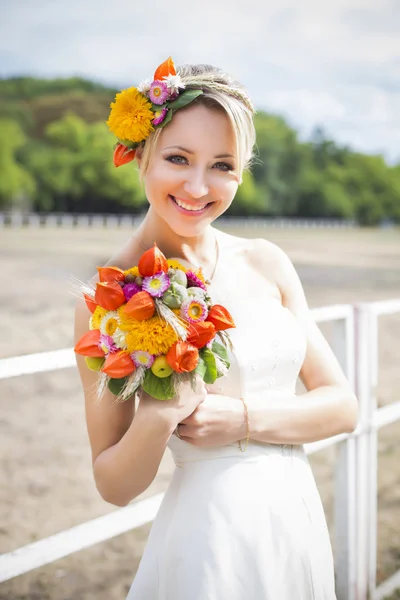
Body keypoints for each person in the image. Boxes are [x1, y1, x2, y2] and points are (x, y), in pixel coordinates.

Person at [74, 57, 358, 600]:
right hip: (210, 539)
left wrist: (243, 419)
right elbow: (113, 485)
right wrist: (158, 416)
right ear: (141, 155)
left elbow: (342, 406)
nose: (198, 186)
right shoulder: (109, 296)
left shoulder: (267, 261)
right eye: (178, 158)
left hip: (294, 520)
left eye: (223, 165)